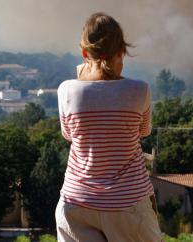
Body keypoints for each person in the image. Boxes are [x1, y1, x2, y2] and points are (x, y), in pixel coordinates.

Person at [55, 12, 161, 242]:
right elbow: (143, 131)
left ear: (84, 53)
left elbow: (69, 135)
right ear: (121, 51)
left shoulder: (66, 90)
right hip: (129, 205)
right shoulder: (140, 90)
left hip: (76, 204)